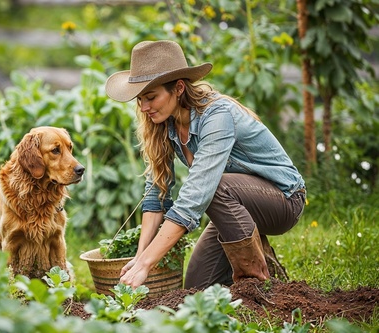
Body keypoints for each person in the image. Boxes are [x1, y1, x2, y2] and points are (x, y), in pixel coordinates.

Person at [104, 40, 306, 289]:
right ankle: (259, 267)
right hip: (234, 204)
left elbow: (198, 193)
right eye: (140, 100)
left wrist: (148, 264)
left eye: (151, 97)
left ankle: (257, 285)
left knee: (216, 186)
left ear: (178, 88)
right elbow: (157, 193)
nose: (144, 107)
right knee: (196, 288)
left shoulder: (217, 116)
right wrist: (139, 256)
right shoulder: (164, 125)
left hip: (284, 200)